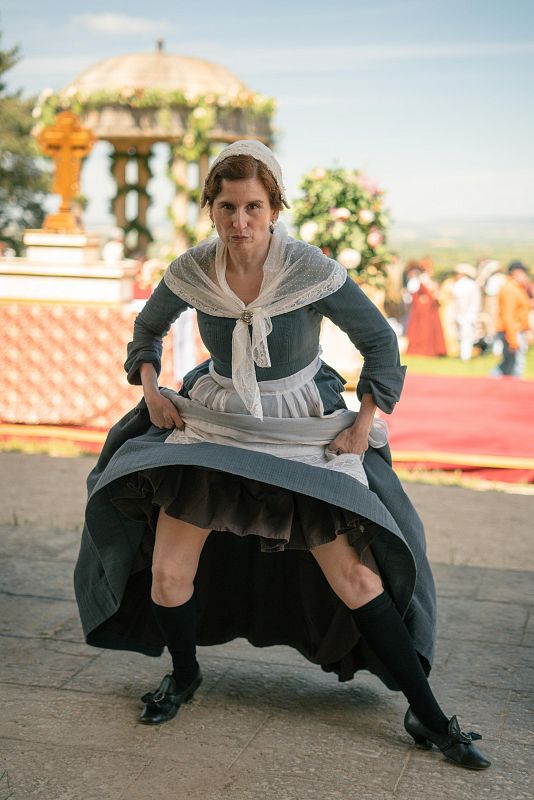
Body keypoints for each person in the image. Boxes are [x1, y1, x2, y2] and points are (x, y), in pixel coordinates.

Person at [74, 141, 490, 770]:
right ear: (211, 210)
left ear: (274, 210)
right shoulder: (192, 269)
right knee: (166, 573)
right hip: (217, 423)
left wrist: (363, 425)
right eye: (227, 207)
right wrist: (154, 391)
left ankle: (427, 714)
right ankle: (184, 676)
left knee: (355, 577)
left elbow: (379, 339)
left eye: (253, 207)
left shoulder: (308, 269)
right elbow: (146, 330)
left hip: (299, 425)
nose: (240, 220)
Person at [492, 261, 532, 377]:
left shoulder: (516, 288)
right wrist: (513, 339)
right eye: (523, 273)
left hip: (516, 330)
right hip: (512, 331)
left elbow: (521, 310)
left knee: (508, 365)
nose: (525, 276)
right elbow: (508, 315)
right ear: (516, 273)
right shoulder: (510, 289)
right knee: (515, 365)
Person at [404, 260, 447, 356]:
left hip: (430, 309)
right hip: (423, 310)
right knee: (423, 329)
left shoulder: (427, 279)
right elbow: (415, 295)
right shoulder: (420, 280)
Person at [451, 264, 481, 361]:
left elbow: (474, 302)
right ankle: (464, 355)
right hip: (463, 314)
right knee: (463, 336)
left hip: (467, 314)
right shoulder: (462, 285)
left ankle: (465, 355)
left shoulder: (468, 285)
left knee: (465, 336)